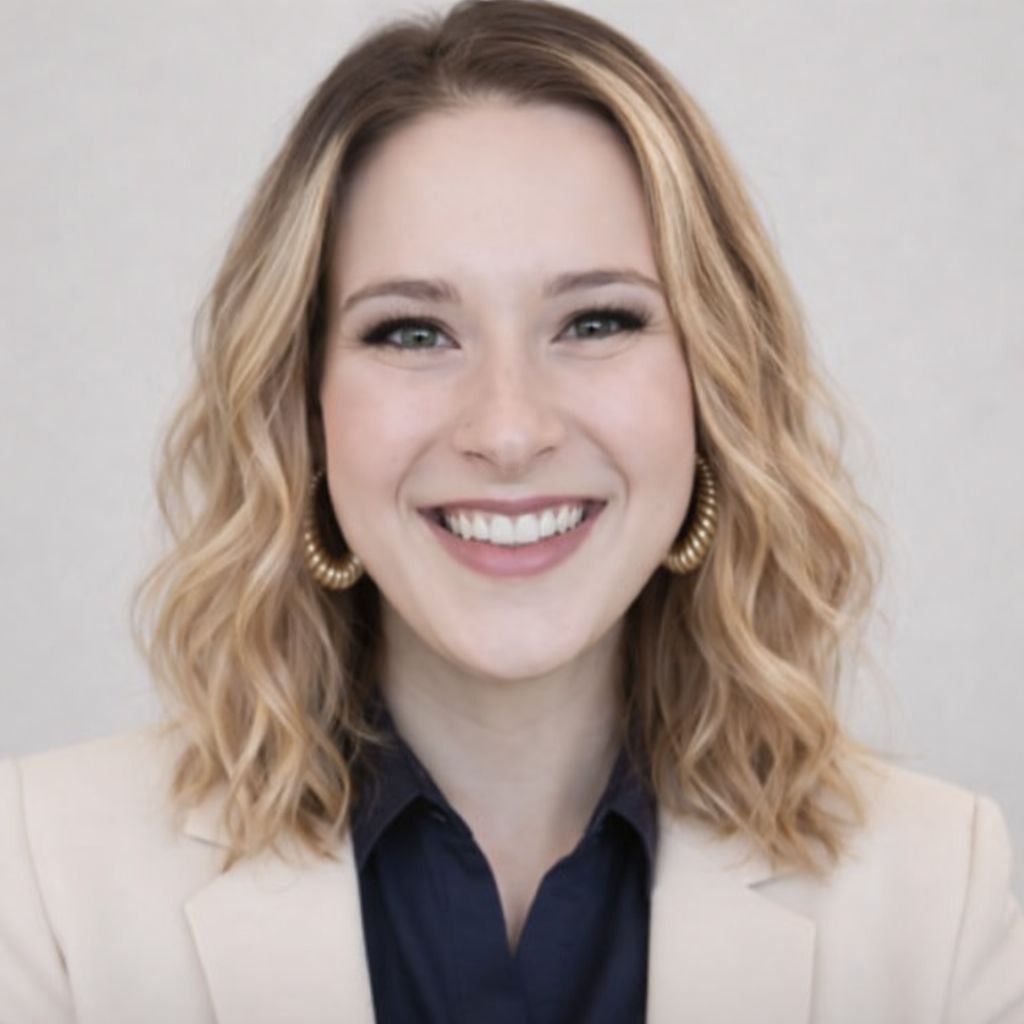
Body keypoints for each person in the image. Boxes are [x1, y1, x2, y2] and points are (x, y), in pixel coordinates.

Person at [1, 1, 1022, 1021]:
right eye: (411, 333)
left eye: (594, 320)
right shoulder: (42, 879)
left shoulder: (936, 892)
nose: (507, 428)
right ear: (300, 408)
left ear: (714, 388)